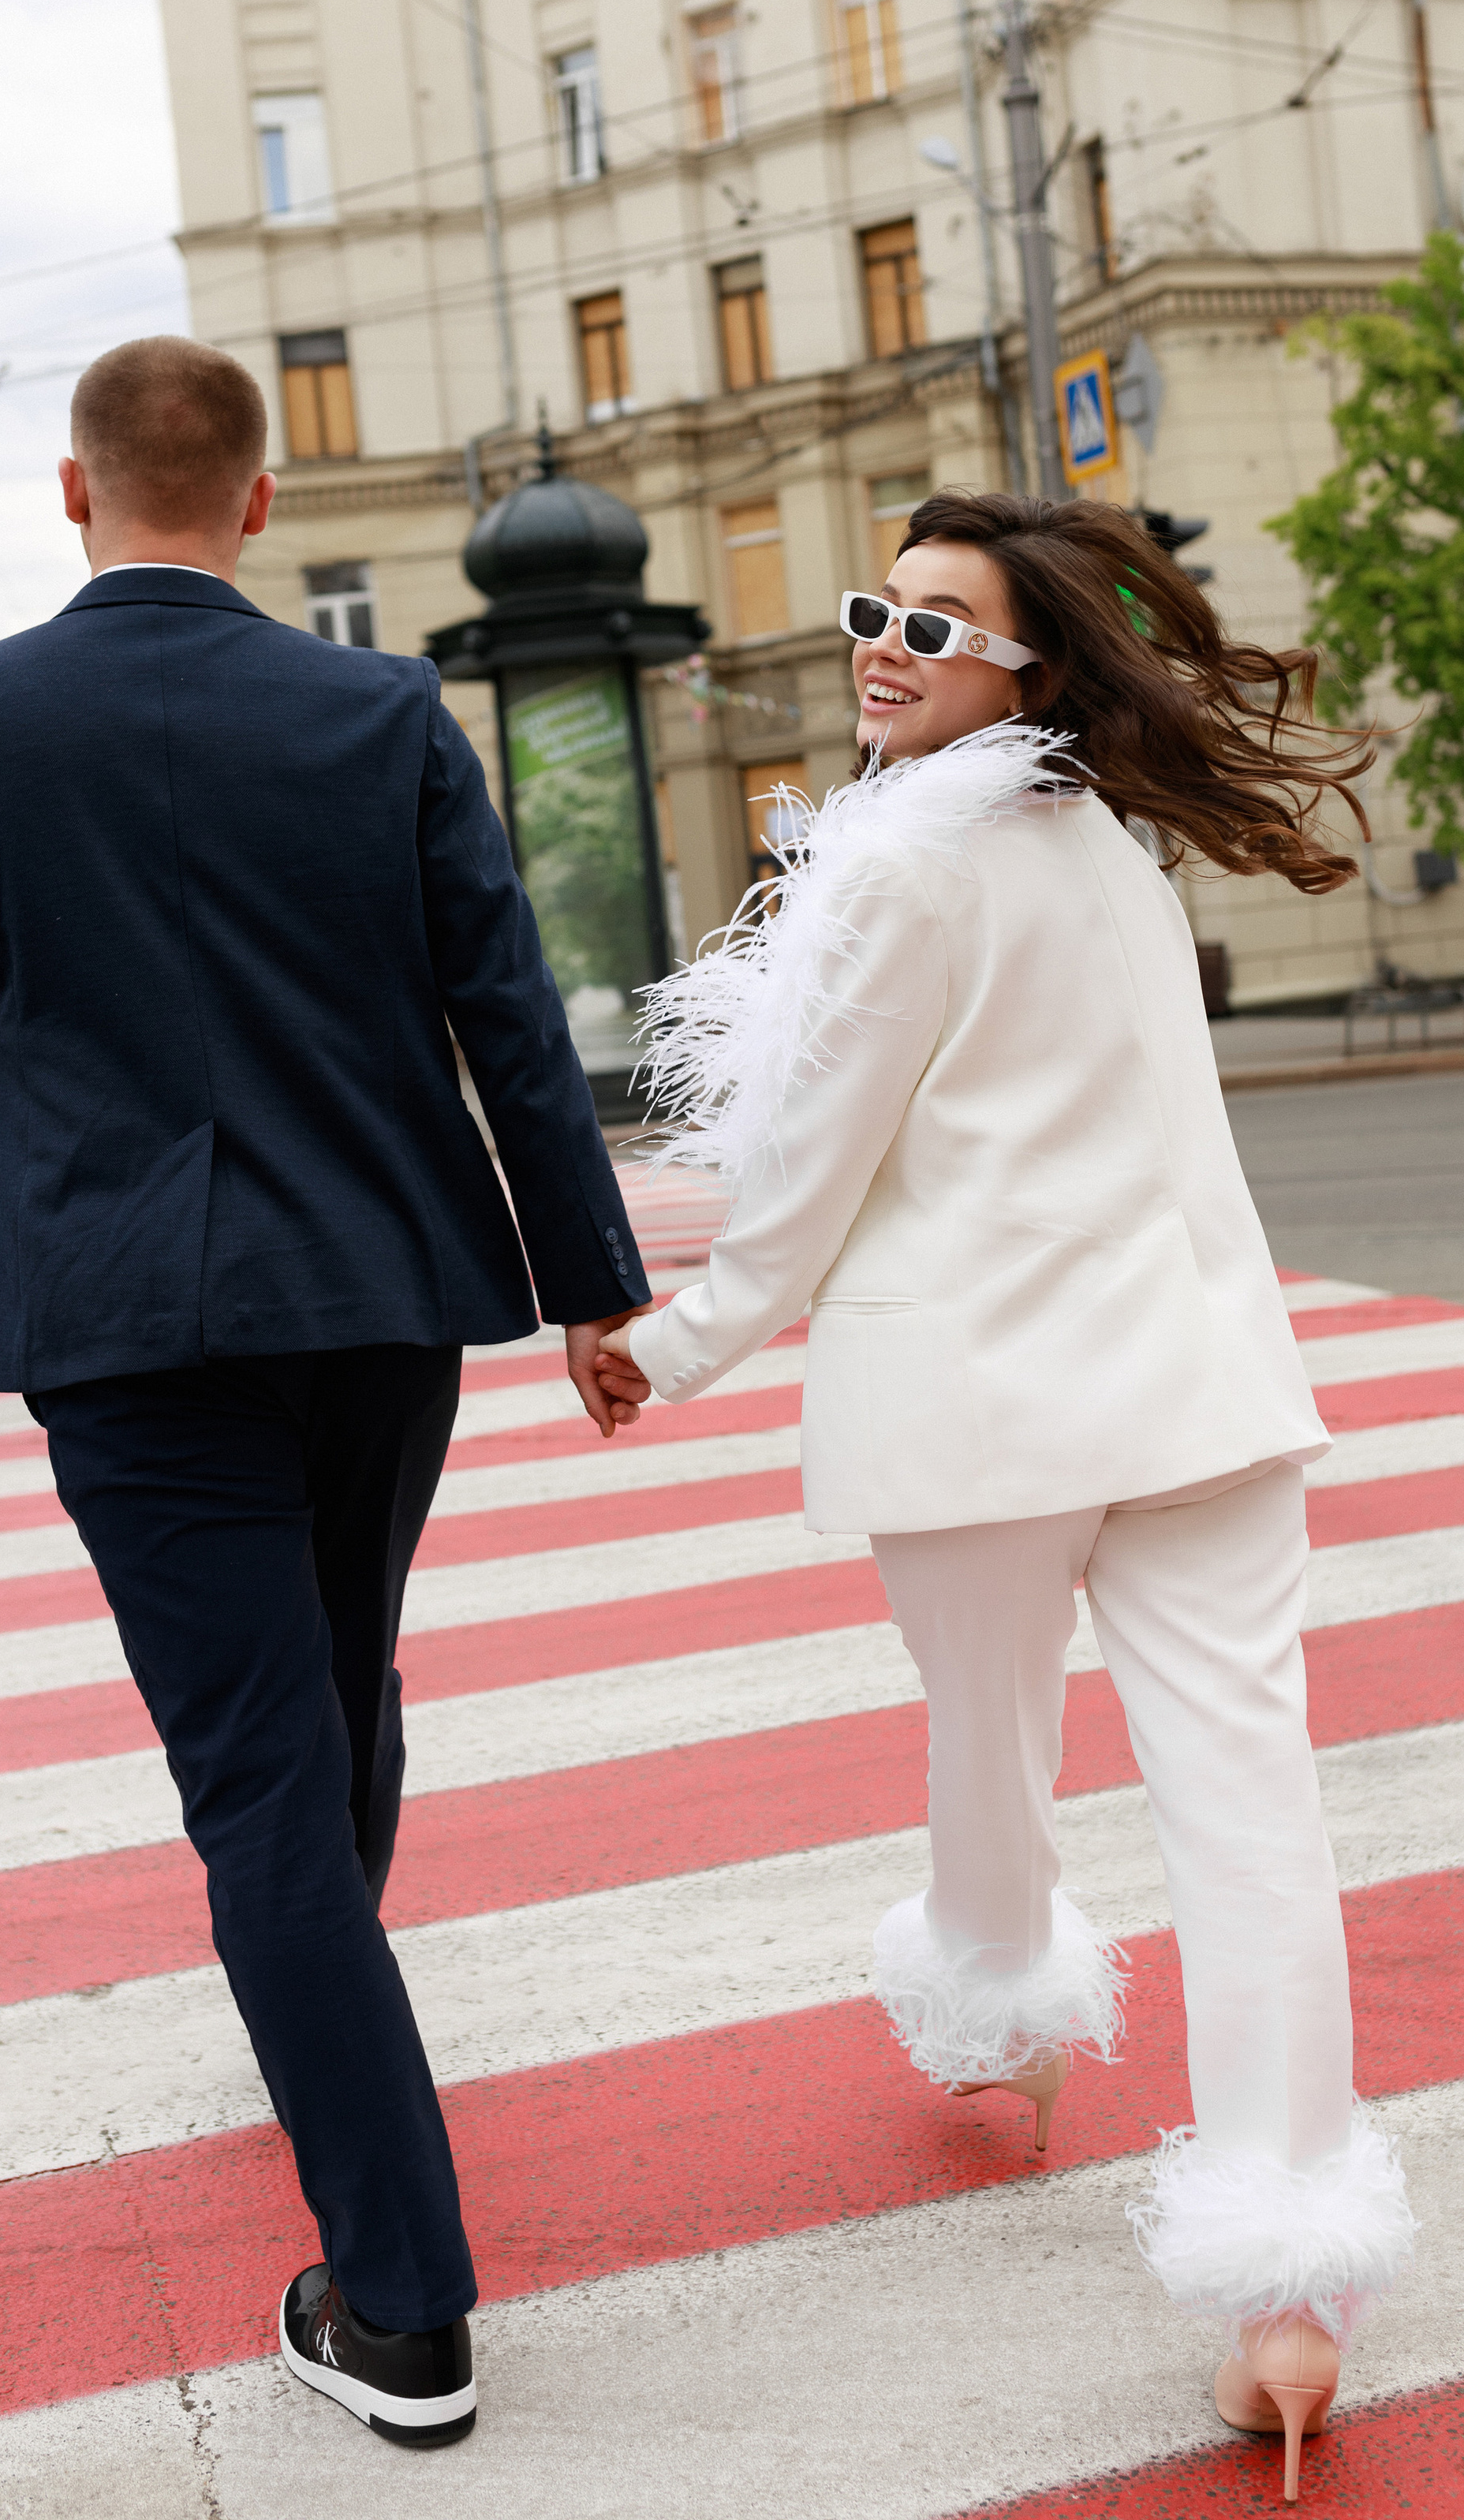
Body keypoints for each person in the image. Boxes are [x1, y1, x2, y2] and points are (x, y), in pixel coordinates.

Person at [0, 336, 650, 2454]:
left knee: (260, 1786)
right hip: (376, 1290)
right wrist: (589, 1283)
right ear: (265, 501)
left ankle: (403, 2308)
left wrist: (14, 1157)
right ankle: (326, 1996)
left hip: (123, 1317)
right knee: (339, 1688)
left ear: (75, 489)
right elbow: (508, 1013)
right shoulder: (380, 709)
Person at [600, 490, 1416, 2503]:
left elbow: (803, 1183)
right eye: (877, 611)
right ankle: (1286, 2297)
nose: (882, 643)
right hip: (1201, 1392)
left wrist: (671, 1341)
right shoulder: (1106, 858)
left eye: (937, 626)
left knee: (990, 1758)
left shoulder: (895, 876)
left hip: (974, 1413)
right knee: (1251, 1818)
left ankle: (1003, 2023)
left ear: (1032, 668)